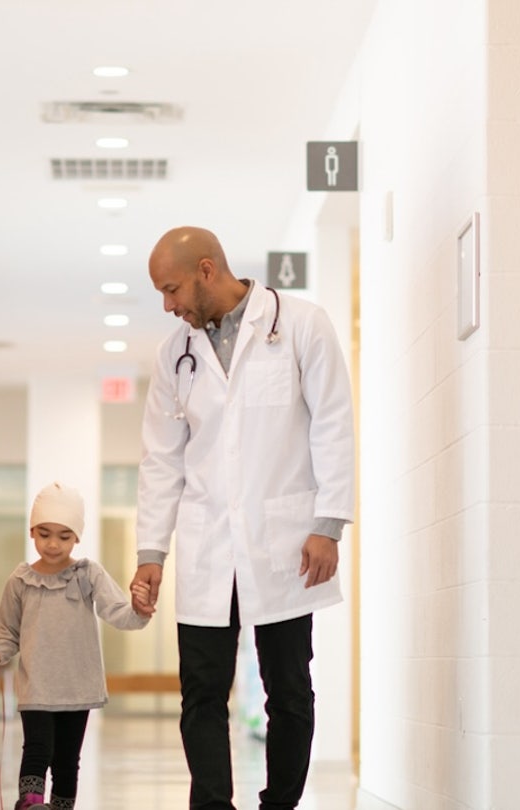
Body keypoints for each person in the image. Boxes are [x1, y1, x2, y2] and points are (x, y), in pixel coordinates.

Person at [129, 226, 355, 810]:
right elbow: (160, 458)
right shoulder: (173, 354)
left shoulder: (300, 324)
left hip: (285, 540)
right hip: (207, 545)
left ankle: (279, 804)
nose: (167, 305)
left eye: (172, 288)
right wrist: (151, 554)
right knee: (201, 694)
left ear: (208, 270)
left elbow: (333, 423)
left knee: (289, 692)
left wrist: (328, 523)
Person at [0, 481, 151, 810]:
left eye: (64, 536)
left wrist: (138, 611)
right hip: (36, 686)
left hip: (76, 687)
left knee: (68, 761)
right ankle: (29, 805)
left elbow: (118, 612)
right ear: (31, 532)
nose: (53, 544)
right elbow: (9, 632)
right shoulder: (20, 581)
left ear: (77, 537)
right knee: (37, 748)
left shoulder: (87, 574)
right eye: (44, 534)